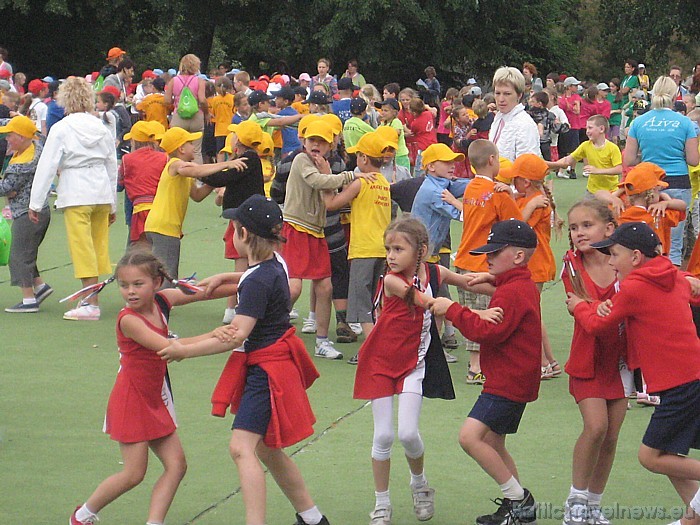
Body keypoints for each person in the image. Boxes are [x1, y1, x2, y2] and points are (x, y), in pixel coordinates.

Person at [158, 194, 331, 525]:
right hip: (275, 365)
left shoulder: (257, 280)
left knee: (241, 447)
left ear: (244, 235)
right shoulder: (274, 265)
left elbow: (235, 334)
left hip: (267, 371)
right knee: (265, 448)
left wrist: (183, 350)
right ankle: (312, 518)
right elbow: (252, 283)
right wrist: (222, 280)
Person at [69, 249, 239, 525]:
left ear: (157, 283)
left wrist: (250, 282)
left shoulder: (163, 300)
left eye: (138, 284)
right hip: (131, 400)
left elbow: (205, 290)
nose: (130, 292)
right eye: (124, 285)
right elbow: (171, 348)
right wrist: (212, 333)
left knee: (176, 466)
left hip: (154, 397)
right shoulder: (128, 321)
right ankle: (82, 515)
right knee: (134, 474)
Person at [566, 222, 700, 525]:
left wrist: (580, 307)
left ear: (636, 257)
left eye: (615, 254)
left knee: (650, 457)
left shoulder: (634, 286)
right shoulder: (673, 276)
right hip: (689, 379)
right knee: (670, 456)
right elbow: (683, 286)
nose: (611, 262)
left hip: (681, 385)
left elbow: (601, 326)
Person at [431, 219, 541, 525]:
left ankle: (519, 500)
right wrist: (492, 279)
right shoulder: (518, 284)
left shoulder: (513, 291)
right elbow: (508, 293)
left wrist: (450, 309)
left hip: (508, 380)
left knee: (470, 437)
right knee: (493, 442)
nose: (488, 257)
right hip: (515, 378)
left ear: (518, 257)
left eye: (496, 251)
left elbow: (486, 331)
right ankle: (517, 505)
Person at [560, 199, 629, 525]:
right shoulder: (571, 266)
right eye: (574, 228)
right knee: (596, 427)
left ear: (609, 229)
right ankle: (575, 500)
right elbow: (589, 314)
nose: (578, 233)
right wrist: (592, 309)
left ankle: (593, 505)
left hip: (621, 360)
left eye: (586, 225)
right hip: (587, 358)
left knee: (611, 436)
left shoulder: (624, 262)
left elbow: (603, 308)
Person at [280, 120, 373, 359]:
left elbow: (329, 195)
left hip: (317, 231)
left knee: (325, 287)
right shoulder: (301, 160)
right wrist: (355, 175)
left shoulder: (328, 166)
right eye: (312, 140)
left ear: (331, 145)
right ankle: (270, 327)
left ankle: (322, 341)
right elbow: (317, 182)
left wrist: (340, 178)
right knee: (294, 287)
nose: (316, 145)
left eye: (321, 141)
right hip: (296, 228)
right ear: (303, 141)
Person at [28, 77, 117, 320]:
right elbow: (112, 165)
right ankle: (91, 298)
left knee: (82, 247)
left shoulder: (62, 128)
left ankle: (90, 302)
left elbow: (47, 166)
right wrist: (113, 203)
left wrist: (35, 202)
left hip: (76, 191)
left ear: (64, 100)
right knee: (97, 245)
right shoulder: (101, 127)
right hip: (100, 191)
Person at [453, 140, 534, 384]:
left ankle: (473, 364)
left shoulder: (470, 188)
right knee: (488, 314)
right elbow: (517, 227)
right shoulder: (498, 194)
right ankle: (479, 366)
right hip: (484, 263)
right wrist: (521, 200)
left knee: (470, 310)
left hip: (464, 257)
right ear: (491, 160)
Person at [143, 126, 246, 280]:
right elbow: (196, 171)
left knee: (164, 273)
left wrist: (217, 181)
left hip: (161, 226)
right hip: (165, 227)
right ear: (181, 148)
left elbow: (197, 196)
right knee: (167, 276)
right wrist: (226, 165)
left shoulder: (183, 172)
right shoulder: (176, 164)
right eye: (190, 143)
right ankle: (161, 303)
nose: (194, 146)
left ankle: (157, 301)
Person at [624, 76, 700, 266]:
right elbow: (693, 160)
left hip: (648, 184)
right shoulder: (685, 123)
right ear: (676, 95)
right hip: (678, 182)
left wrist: (648, 156)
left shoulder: (639, 122)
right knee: (673, 242)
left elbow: (629, 159)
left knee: (646, 238)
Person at [201, 120, 264, 324]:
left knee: (242, 265)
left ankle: (234, 307)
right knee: (245, 264)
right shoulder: (249, 158)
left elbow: (221, 178)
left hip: (244, 220)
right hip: (244, 218)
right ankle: (238, 306)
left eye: (235, 134)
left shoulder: (248, 159)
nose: (232, 137)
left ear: (241, 140)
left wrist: (199, 172)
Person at [510, 154, 562, 378]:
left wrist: (529, 205)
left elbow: (517, 228)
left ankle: (541, 364)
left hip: (536, 263)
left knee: (530, 316)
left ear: (526, 182)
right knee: (534, 313)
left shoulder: (537, 201)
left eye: (515, 179)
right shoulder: (527, 198)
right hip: (534, 263)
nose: (512, 182)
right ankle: (550, 361)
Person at [0, 115, 52, 313]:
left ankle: (28, 300)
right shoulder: (35, 147)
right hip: (38, 210)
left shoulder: (23, 162)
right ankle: (40, 286)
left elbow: (7, 187)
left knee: (18, 256)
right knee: (27, 252)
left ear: (21, 137)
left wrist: (8, 189)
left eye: (10, 136)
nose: (7, 140)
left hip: (27, 213)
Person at [596, 162, 687, 257]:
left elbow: (599, 194)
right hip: (656, 264)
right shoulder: (660, 212)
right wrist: (667, 202)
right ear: (651, 194)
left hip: (626, 261)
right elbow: (682, 206)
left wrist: (615, 197)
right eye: (658, 190)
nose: (660, 193)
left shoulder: (621, 208)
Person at [118, 120, 168, 244]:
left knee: (136, 251)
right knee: (160, 249)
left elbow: (119, 185)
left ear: (134, 142)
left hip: (137, 213)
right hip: (162, 212)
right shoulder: (166, 158)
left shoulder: (127, 159)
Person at [549, 115, 622, 196]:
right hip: (592, 191)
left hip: (611, 192)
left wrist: (597, 171)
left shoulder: (613, 148)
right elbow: (568, 160)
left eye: (590, 128)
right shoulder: (585, 145)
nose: (587, 131)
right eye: (587, 128)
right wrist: (549, 165)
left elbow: (619, 169)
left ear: (601, 129)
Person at [489, 67, 540, 161]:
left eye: (507, 94)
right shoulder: (498, 118)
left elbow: (527, 167)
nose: (501, 99)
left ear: (519, 95)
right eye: (497, 93)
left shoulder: (525, 124)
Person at [165, 54, 208, 164]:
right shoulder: (199, 81)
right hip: (196, 116)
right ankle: (197, 179)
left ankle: (177, 174)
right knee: (197, 151)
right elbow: (202, 100)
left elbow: (167, 101)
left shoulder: (173, 81)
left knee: (176, 149)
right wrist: (206, 113)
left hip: (179, 116)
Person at [376, 98, 410, 169]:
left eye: (386, 110)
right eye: (382, 110)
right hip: (389, 156)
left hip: (400, 156)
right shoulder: (383, 124)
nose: (382, 113)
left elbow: (396, 134)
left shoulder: (396, 122)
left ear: (395, 112)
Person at [208, 76, 235, 163]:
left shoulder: (215, 100)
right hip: (230, 129)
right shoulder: (233, 98)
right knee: (231, 151)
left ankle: (220, 169)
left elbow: (213, 114)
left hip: (219, 130)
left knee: (220, 152)